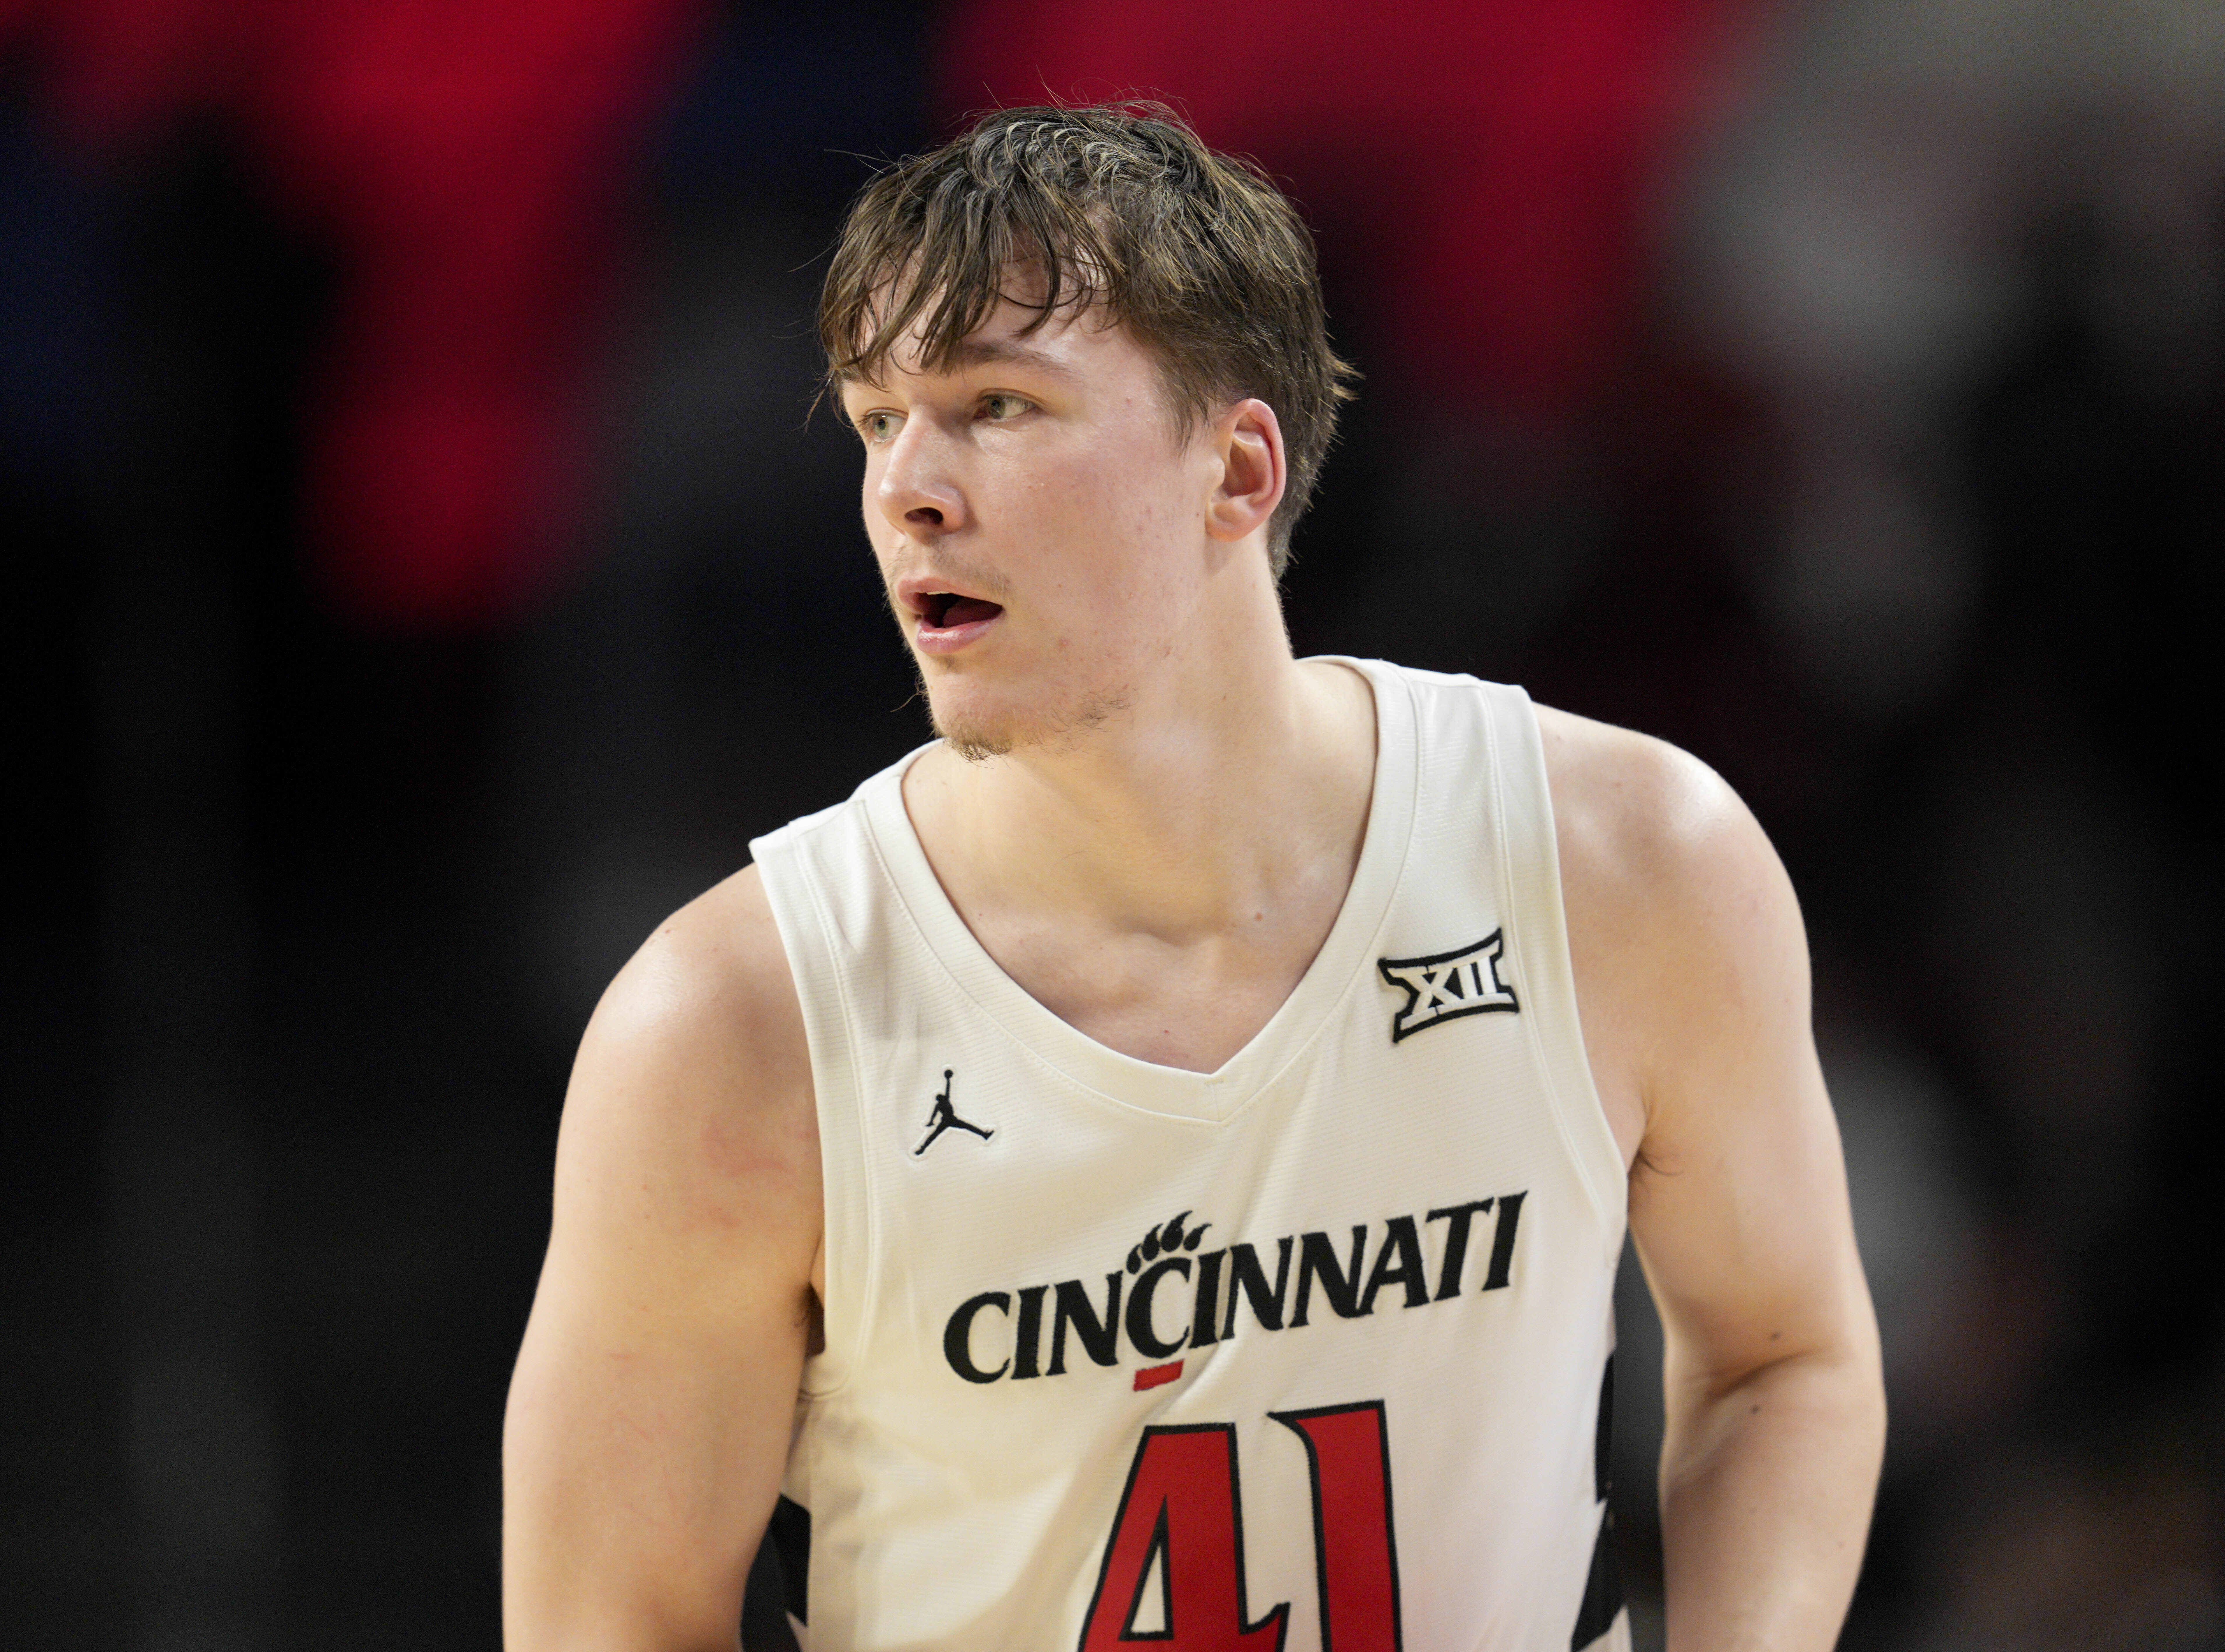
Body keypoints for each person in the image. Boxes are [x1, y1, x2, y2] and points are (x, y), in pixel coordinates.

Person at [502, 105, 1883, 1652]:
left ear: (1235, 469)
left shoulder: (1626, 863)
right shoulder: (735, 1023)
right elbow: (608, 1621)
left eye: (998, 405)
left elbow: (1783, 1360)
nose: (909, 488)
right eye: (881, 418)